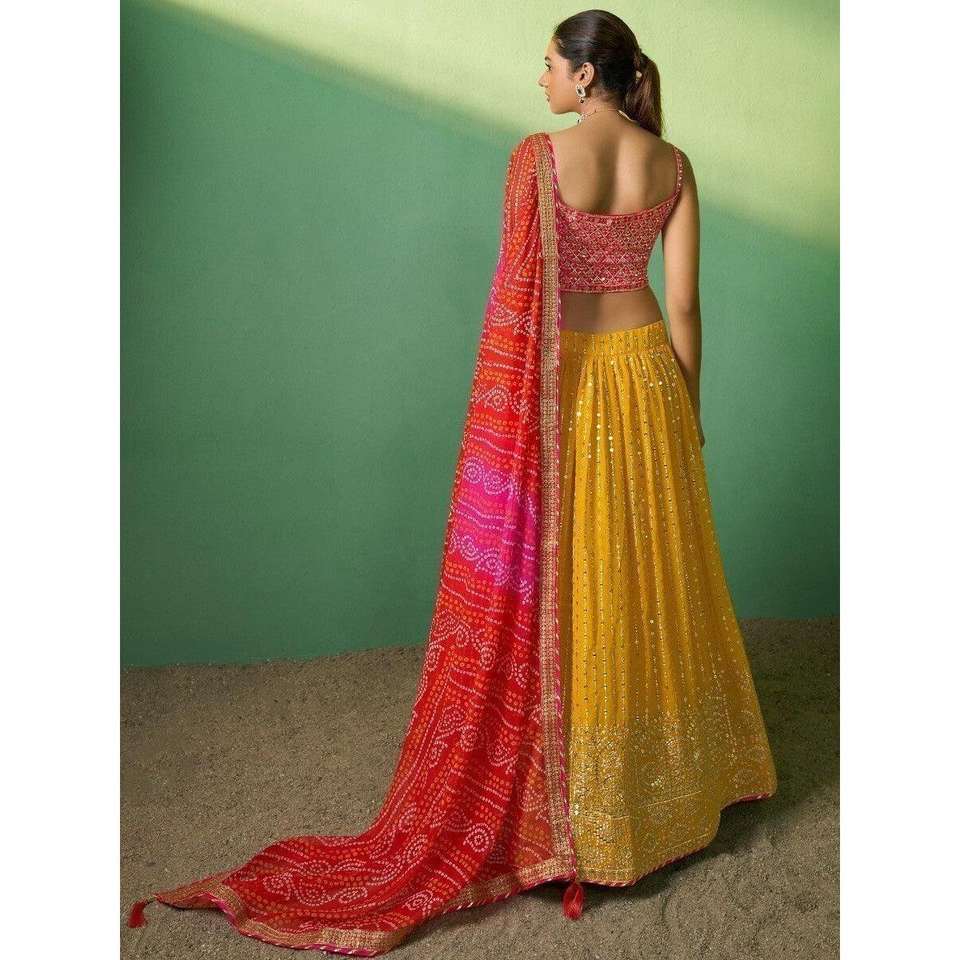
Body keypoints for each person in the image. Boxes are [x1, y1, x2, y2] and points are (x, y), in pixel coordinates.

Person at [126, 9, 777, 955]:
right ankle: (651, 797)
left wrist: (501, 421)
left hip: (561, 383)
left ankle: (573, 811)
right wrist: (690, 407)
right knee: (636, 577)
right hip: (645, 378)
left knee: (566, 581)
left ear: (585, 76)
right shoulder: (672, 165)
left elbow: (515, 297)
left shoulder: (539, 160)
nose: (540, 80)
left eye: (548, 64)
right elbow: (684, 303)